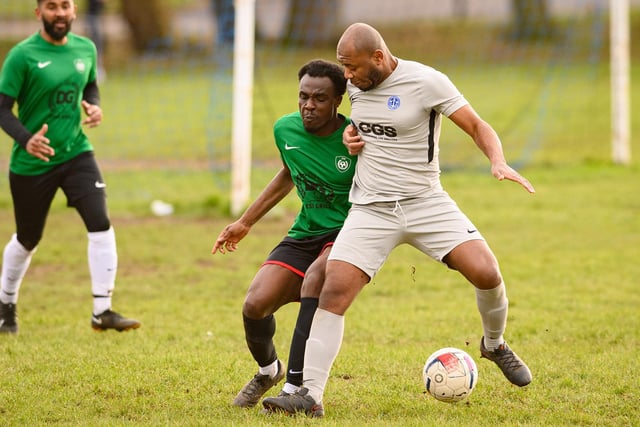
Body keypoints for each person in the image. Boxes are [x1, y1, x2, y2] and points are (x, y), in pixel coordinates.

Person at [262, 22, 535, 417]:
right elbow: (347, 127)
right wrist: (350, 138)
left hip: (425, 201)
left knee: (487, 272)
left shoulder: (427, 82)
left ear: (378, 57)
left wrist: (498, 160)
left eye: (352, 68)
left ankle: (494, 345)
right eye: (344, 68)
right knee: (333, 288)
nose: (348, 77)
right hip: (371, 207)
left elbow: (477, 125)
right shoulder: (356, 86)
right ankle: (310, 395)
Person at [211, 59, 355, 409]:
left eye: (319, 98)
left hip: (348, 232)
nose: (309, 105)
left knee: (314, 282)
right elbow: (289, 173)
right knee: (255, 304)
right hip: (305, 231)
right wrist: (245, 221)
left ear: (337, 100)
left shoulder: (354, 138)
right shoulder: (285, 130)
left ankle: (299, 392)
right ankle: (268, 371)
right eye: (303, 96)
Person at [0, 0, 141, 334]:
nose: (60, 13)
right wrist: (26, 139)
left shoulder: (86, 48)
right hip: (33, 163)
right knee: (28, 238)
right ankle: (5, 305)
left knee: (100, 222)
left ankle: (102, 311)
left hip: (77, 153)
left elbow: (90, 84)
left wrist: (95, 106)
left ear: (74, 11)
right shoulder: (22, 55)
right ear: (39, 14)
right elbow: (2, 109)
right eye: (51, 7)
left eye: (65, 6)